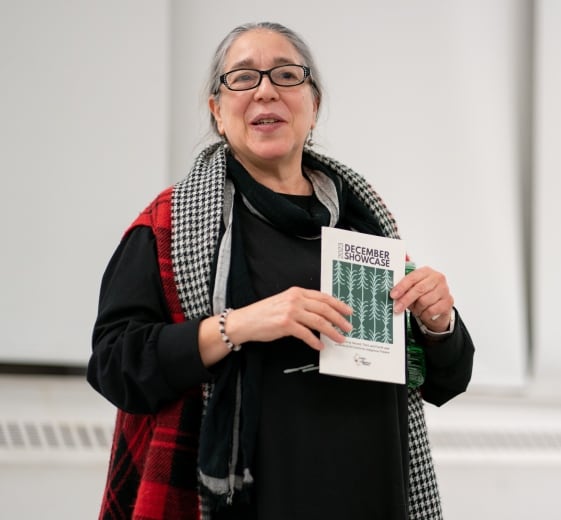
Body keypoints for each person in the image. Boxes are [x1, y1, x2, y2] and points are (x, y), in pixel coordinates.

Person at [88, 21, 474, 520]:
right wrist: (240, 325)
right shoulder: (169, 224)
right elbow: (115, 364)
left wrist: (439, 323)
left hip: (373, 494)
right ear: (217, 113)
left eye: (286, 76)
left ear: (313, 107)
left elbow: (444, 381)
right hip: (254, 501)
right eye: (243, 78)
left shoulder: (365, 223)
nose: (266, 89)